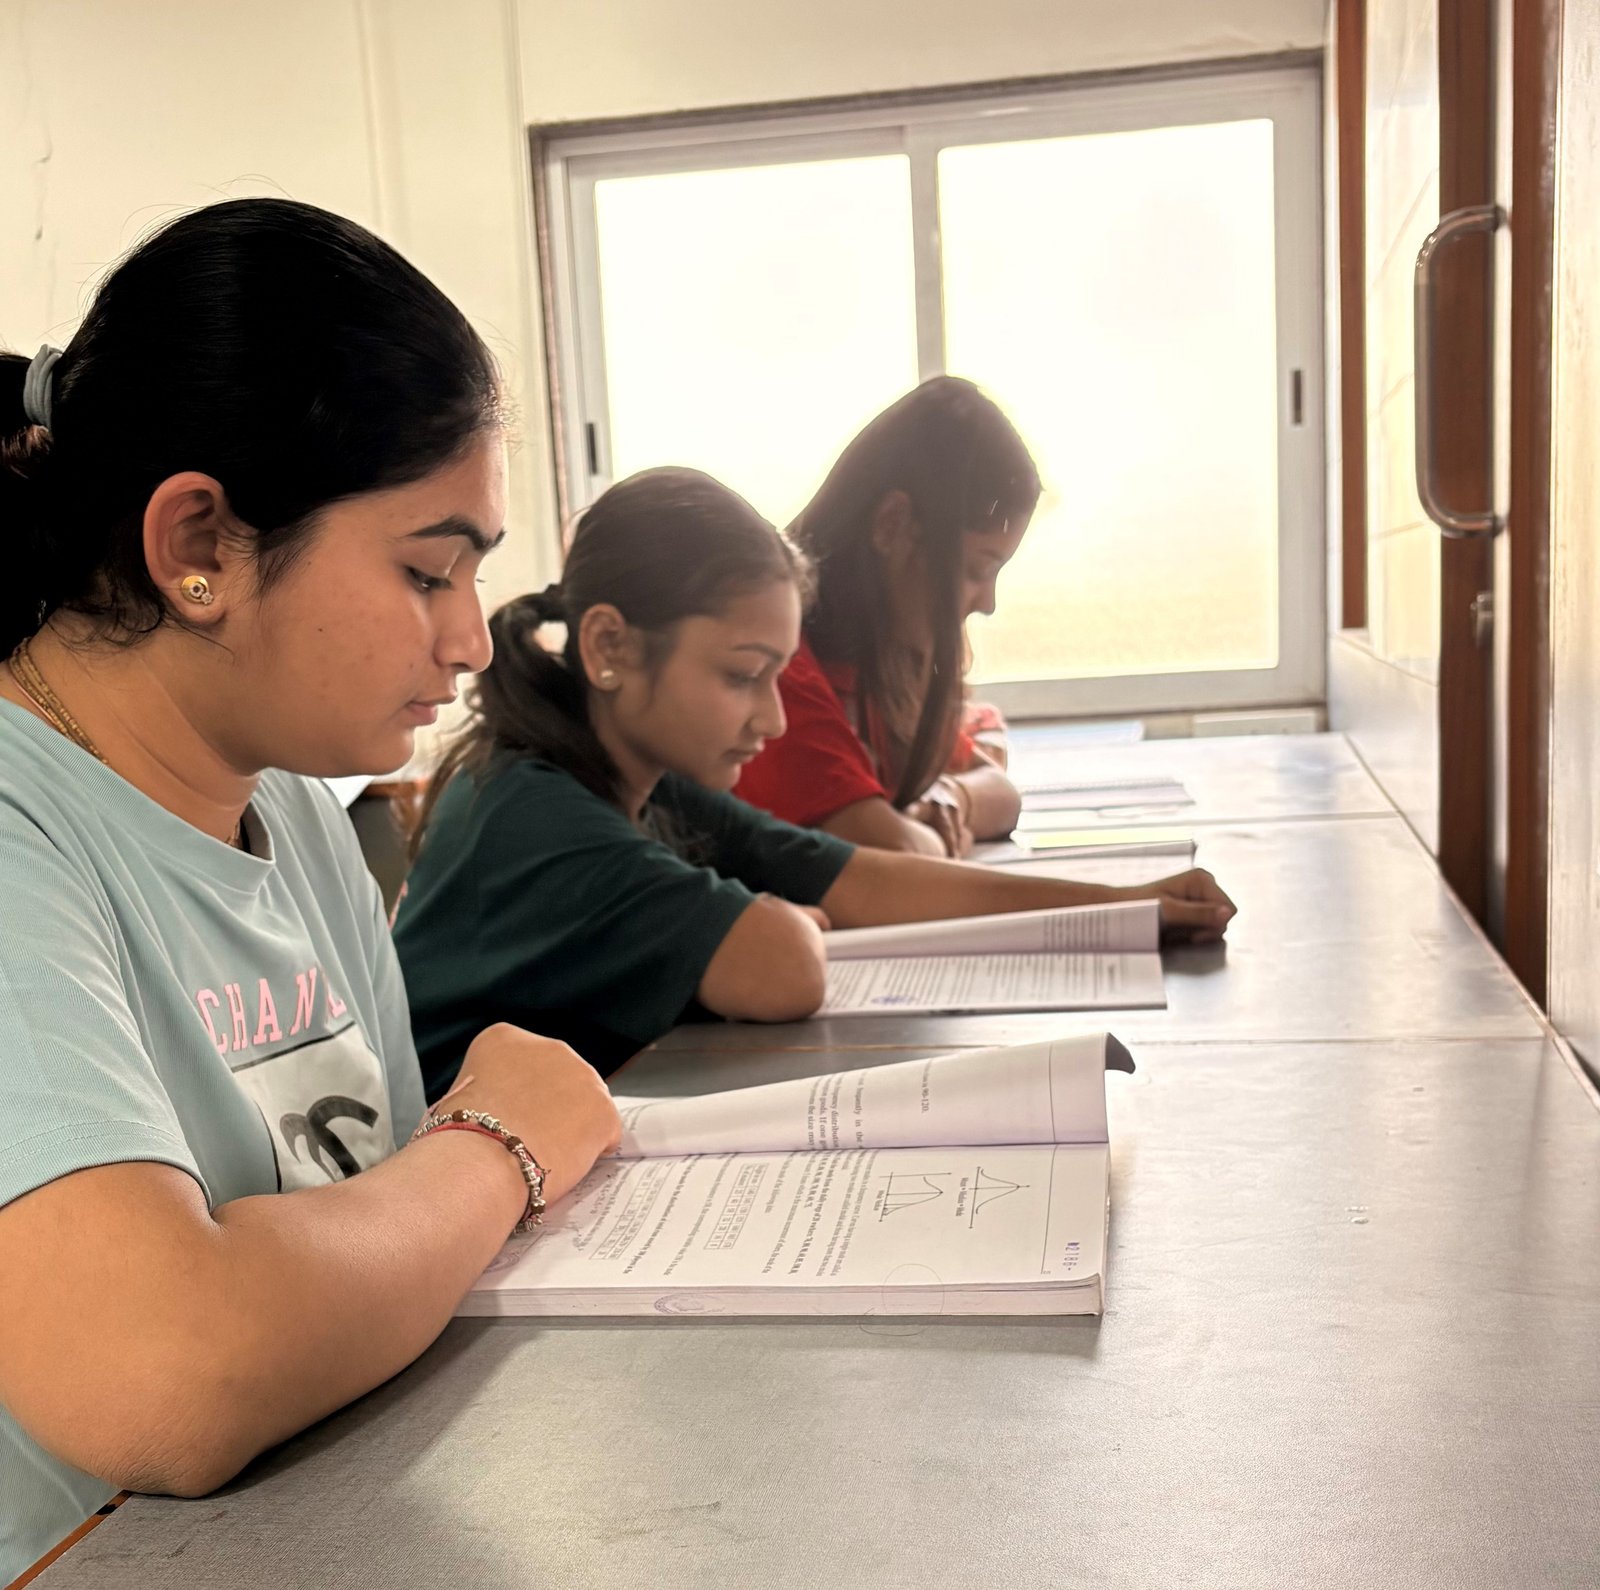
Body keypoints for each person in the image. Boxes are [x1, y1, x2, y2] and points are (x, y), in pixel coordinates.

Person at [0, 198, 620, 1582]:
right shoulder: (17, 833)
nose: (472, 637)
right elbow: (159, 1368)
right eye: (426, 568)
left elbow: (369, 1210)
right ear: (199, 544)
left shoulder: (289, 805)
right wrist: (499, 1148)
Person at [395, 467, 1235, 1098]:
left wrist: (1123, 905)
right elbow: (783, 971)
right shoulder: (535, 810)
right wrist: (777, 918)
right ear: (611, 647)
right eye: (740, 675)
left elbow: (857, 876)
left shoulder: (631, 769)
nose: (774, 720)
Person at [734, 376, 1038, 857]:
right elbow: (895, 849)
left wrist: (950, 799)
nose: (987, 602)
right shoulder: (781, 667)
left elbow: (1000, 792)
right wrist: (926, 821)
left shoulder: (887, 656)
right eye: (977, 569)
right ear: (892, 524)